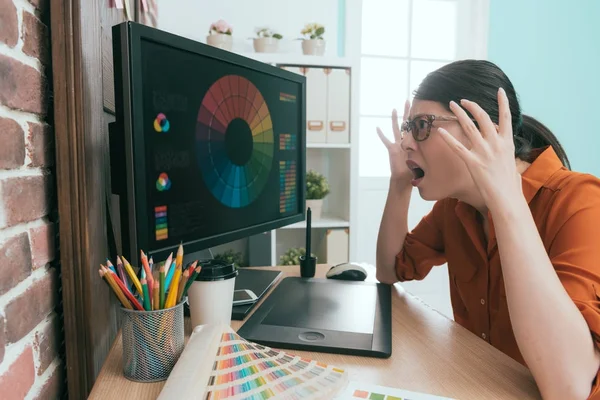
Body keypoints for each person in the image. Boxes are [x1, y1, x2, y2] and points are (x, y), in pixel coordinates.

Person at [375, 59, 600, 400]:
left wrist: (505, 198)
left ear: (484, 129)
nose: (406, 142)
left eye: (421, 126)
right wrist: (399, 184)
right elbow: (391, 270)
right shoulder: (455, 207)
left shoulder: (580, 202)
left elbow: (568, 388)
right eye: (408, 127)